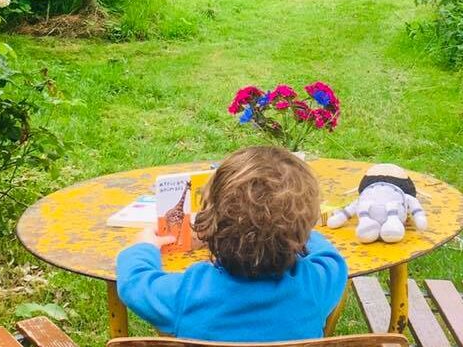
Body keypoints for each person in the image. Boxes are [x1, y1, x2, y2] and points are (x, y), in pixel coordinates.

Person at [117, 146, 348, 341]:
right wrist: (297, 228)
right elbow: (332, 258)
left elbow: (133, 282)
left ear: (209, 226)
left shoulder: (187, 294)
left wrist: (143, 248)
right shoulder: (316, 285)